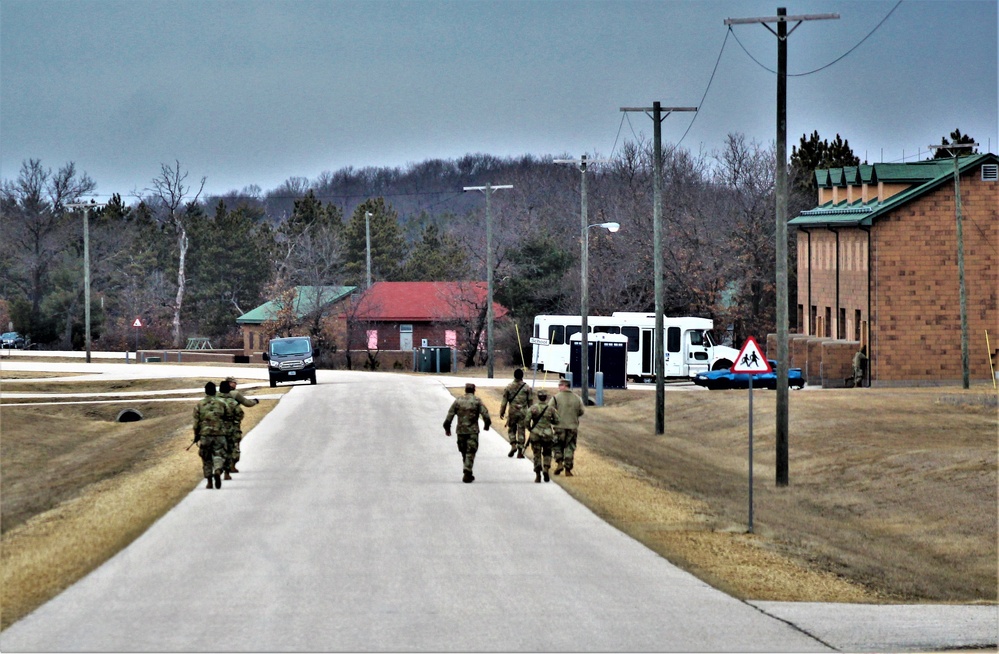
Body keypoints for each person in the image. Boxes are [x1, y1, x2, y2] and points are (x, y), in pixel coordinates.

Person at [443, 383, 491, 483]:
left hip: (460, 431)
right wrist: (487, 425)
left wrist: (447, 428)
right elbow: (485, 414)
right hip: (472, 431)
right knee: (471, 451)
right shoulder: (477, 401)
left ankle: (467, 471)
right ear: (474, 390)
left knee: (464, 451)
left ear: (465, 390)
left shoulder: (458, 401)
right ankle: (467, 471)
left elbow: (450, 415)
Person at [193, 381, 230, 489]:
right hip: (219, 433)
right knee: (219, 453)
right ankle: (218, 470)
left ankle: (209, 481)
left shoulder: (199, 405)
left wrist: (196, 435)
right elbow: (228, 417)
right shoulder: (222, 403)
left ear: (205, 391)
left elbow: (196, 423)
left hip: (205, 434)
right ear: (215, 391)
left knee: (206, 458)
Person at [221, 376, 258, 474]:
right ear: (229, 383)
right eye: (234, 382)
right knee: (234, 445)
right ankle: (231, 465)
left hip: (219, 425)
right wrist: (255, 401)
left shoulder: (217, 395)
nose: (236, 384)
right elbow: (247, 403)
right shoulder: (234, 394)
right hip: (232, 425)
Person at [551, 378, 584, 477]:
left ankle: (560, 462)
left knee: (557, 446)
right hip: (572, 427)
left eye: (560, 385)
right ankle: (568, 469)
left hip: (559, 426)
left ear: (564, 386)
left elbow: (549, 410)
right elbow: (581, 411)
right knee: (570, 447)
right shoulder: (577, 398)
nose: (558, 387)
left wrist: (554, 419)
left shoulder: (556, 398)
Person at [526, 389, 560, 483]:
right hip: (548, 434)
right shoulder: (551, 409)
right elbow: (557, 420)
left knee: (537, 454)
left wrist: (530, 428)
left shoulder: (533, 408)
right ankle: (546, 468)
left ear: (538, 397)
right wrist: (550, 421)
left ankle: (538, 475)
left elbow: (526, 420)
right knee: (547, 453)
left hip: (536, 434)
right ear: (546, 397)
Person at [499, 368, 532, 459]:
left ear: (514, 376)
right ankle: (520, 451)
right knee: (521, 431)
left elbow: (504, 401)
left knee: (511, 429)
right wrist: (532, 414)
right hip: (523, 412)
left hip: (512, 411)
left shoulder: (508, 387)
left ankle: (513, 444)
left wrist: (502, 412)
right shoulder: (527, 388)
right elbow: (530, 403)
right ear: (522, 376)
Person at [217, 380, 244, 480]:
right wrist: (235, 422)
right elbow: (240, 414)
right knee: (233, 448)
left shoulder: (215, 401)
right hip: (231, 428)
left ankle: (218, 468)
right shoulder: (232, 402)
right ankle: (230, 467)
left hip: (217, 429)